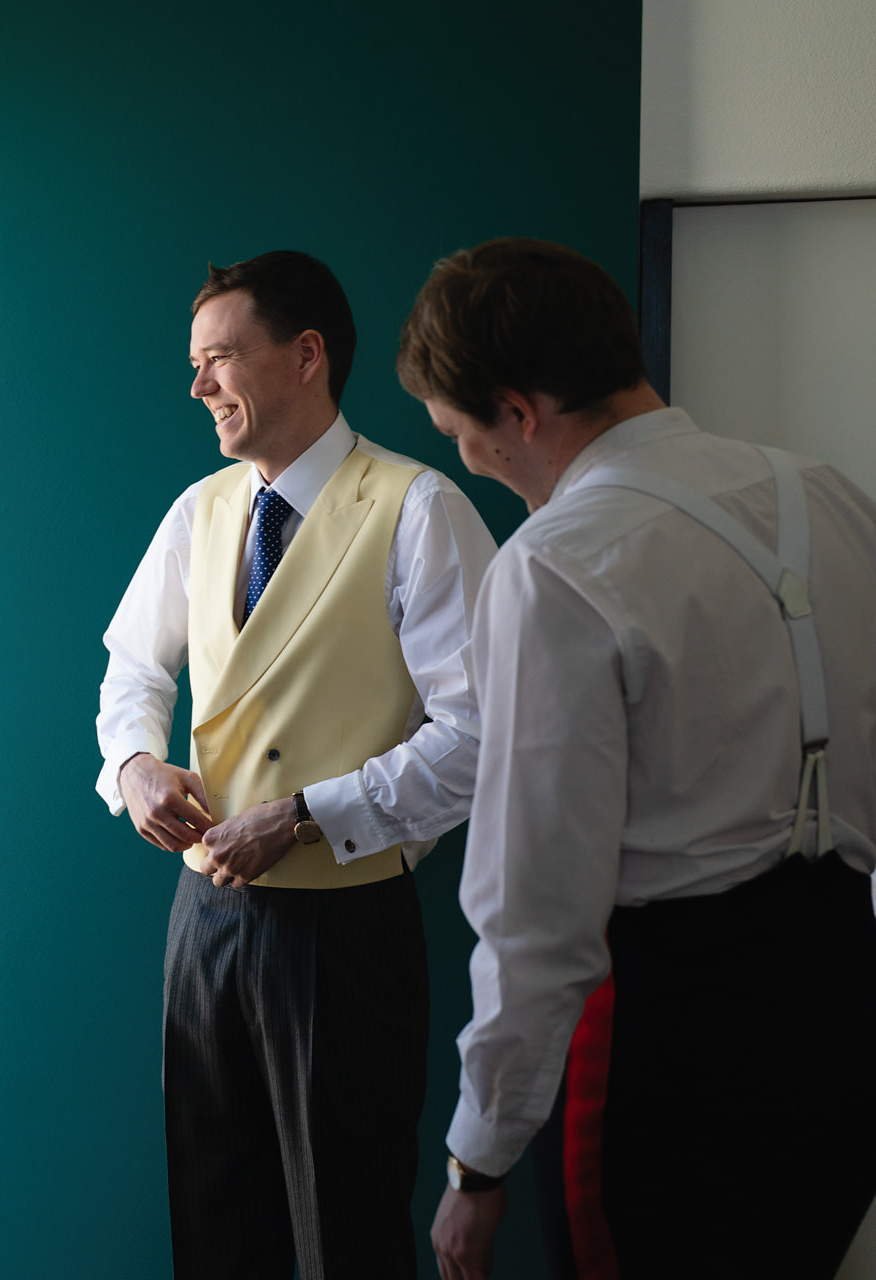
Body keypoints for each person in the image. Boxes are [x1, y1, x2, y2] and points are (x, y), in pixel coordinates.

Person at [401, 239, 876, 1280]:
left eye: (463, 437)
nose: (474, 467)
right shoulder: (829, 498)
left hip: (671, 1043)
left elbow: (538, 913)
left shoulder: (554, 563)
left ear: (520, 412)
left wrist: (476, 1165)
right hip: (846, 1004)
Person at [96, 250, 497, 1278]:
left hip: (345, 930)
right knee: (213, 1216)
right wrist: (137, 766)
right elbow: (131, 671)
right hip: (207, 927)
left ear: (306, 355)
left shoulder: (420, 508)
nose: (199, 386)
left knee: (344, 1231)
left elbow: (480, 734)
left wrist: (308, 812)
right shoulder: (200, 510)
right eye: (195, 364)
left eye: (220, 358)